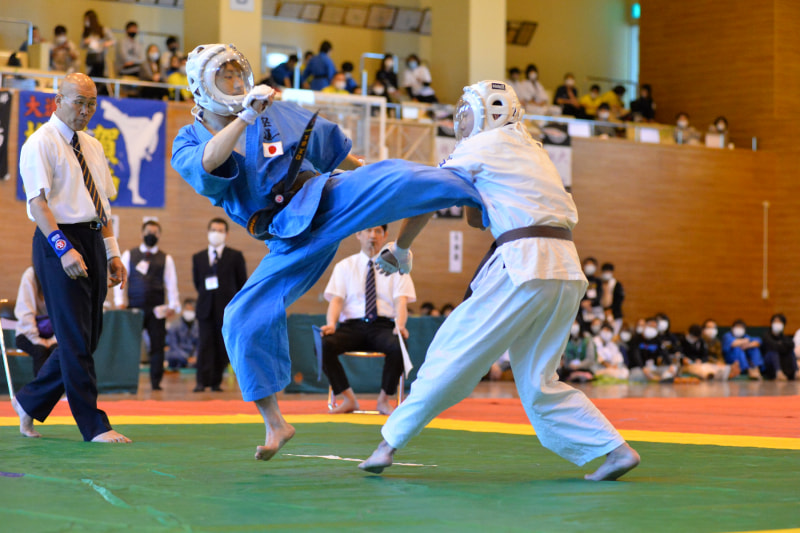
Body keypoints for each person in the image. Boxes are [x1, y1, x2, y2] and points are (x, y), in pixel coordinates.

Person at [171, 44, 485, 461]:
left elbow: (331, 148)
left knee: (397, 177)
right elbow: (209, 164)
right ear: (201, 86)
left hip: (324, 199)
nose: (234, 82)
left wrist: (365, 172)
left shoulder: (271, 112)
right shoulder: (189, 139)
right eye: (223, 76)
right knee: (240, 316)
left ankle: (476, 186)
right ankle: (275, 423)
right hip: (286, 236)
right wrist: (246, 116)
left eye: (236, 73)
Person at [359, 80, 639, 481]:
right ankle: (614, 450)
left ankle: (387, 445)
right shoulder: (535, 150)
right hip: (565, 268)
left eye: (466, 113)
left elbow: (431, 193)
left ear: (485, 113)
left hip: (523, 264)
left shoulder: (481, 145)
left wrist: (401, 248)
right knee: (540, 381)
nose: (461, 122)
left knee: (454, 349)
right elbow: (477, 217)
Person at [13, 73, 130, 444]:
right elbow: (38, 203)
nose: (85, 110)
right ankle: (93, 425)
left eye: (91, 103)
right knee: (75, 339)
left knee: (87, 338)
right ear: (58, 101)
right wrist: (63, 248)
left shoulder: (92, 145)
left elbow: (102, 206)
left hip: (93, 239)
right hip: (58, 240)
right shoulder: (40, 142)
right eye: (79, 101)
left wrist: (112, 253)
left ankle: (29, 401)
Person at [321, 225, 414, 414]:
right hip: (351, 327)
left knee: (399, 344)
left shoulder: (397, 266)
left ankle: (383, 400)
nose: (373, 235)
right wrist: (331, 324)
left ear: (385, 235)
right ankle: (348, 399)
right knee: (323, 343)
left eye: (378, 231)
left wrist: (400, 325)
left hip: (383, 327)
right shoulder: (344, 266)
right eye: (368, 230)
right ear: (358, 234)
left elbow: (401, 301)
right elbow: (336, 300)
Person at [113, 221, 180, 390]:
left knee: (157, 346)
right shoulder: (129, 254)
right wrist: (120, 302)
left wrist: (173, 305)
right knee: (130, 346)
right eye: (149, 231)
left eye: (155, 232)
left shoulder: (166, 258)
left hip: (157, 310)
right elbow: (121, 278)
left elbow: (171, 283)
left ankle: (156, 383)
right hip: (134, 309)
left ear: (159, 235)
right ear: (142, 233)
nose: (151, 235)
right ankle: (126, 381)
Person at [192, 217, 247, 392]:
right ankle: (201, 381)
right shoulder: (198, 257)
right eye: (214, 230)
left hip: (226, 309)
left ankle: (216, 382)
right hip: (205, 308)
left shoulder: (235, 256)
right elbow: (197, 282)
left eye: (220, 231)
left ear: (226, 234)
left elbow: (241, 283)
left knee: (221, 346)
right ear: (208, 232)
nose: (217, 233)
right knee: (204, 344)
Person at [14, 266, 58, 376]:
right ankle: (42, 387)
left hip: (56, 335)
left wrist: (53, 340)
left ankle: (62, 387)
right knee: (40, 351)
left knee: (59, 351)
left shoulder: (60, 273)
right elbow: (25, 313)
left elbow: (65, 314)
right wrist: (38, 340)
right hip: (28, 334)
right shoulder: (31, 274)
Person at [80, 10, 114, 82]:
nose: (86, 22)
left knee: (101, 79)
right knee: (89, 79)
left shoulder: (103, 30)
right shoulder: (86, 32)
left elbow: (113, 40)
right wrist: (85, 42)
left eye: (87, 20)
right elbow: (81, 46)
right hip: (90, 58)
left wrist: (106, 43)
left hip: (101, 57)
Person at [165, 298, 199, 370]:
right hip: (178, 355)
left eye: (192, 310)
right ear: (183, 310)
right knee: (172, 355)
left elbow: (199, 344)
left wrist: (195, 356)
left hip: (193, 356)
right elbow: (173, 345)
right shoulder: (174, 325)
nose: (189, 312)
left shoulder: (198, 326)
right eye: (187, 309)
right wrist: (186, 357)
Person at [761, 314, 796, 381]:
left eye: (780, 322)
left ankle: (796, 371)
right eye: (775, 321)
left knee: (790, 351)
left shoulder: (784, 337)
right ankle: (778, 372)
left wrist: (779, 345)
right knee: (773, 352)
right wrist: (781, 345)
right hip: (768, 362)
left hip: (782, 360)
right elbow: (772, 346)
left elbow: (791, 345)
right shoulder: (766, 335)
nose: (777, 323)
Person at [599, 262, 624, 331]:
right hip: (600, 311)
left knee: (613, 330)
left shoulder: (617, 284)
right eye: (605, 271)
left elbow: (619, 299)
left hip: (614, 312)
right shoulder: (598, 283)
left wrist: (611, 309)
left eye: (609, 271)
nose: (607, 273)